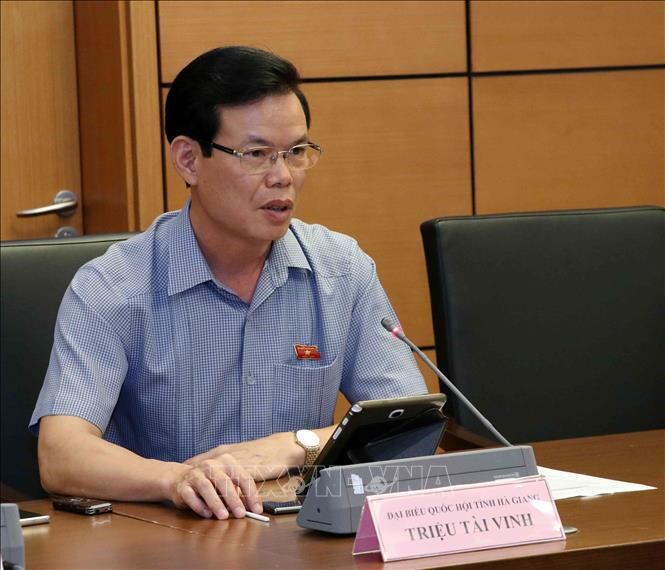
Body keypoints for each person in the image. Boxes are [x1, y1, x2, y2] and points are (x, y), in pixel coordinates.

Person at [30, 46, 427, 520]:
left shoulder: (342, 270)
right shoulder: (112, 288)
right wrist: (177, 480)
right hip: (168, 537)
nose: (283, 177)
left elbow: (411, 423)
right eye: (257, 154)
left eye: (296, 152)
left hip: (304, 534)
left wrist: (294, 445)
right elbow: (61, 455)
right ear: (189, 160)